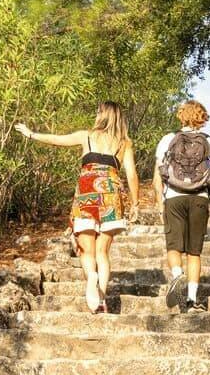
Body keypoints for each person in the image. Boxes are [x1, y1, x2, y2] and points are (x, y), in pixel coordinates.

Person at [15, 102, 139, 313]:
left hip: (87, 192)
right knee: (103, 251)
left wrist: (31, 134)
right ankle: (101, 299)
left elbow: (56, 140)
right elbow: (132, 174)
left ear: (102, 115)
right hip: (110, 193)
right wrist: (135, 203)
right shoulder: (124, 143)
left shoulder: (86, 136)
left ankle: (91, 276)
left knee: (86, 249)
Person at [152, 99, 210, 311]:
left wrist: (160, 202)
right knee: (194, 252)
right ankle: (191, 299)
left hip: (174, 198)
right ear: (202, 118)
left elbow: (157, 174)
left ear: (181, 116)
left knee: (173, 246)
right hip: (199, 198)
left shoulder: (168, 139)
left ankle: (178, 275)